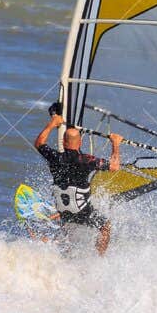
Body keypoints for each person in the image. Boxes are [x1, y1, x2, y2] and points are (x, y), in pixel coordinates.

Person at [33, 103, 122, 255]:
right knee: (105, 226)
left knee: (67, 222)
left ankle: (55, 244)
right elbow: (114, 166)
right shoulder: (86, 160)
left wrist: (52, 123)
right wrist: (115, 143)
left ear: (63, 142)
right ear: (80, 143)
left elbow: (39, 143)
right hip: (82, 210)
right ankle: (99, 257)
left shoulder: (54, 157)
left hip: (63, 209)